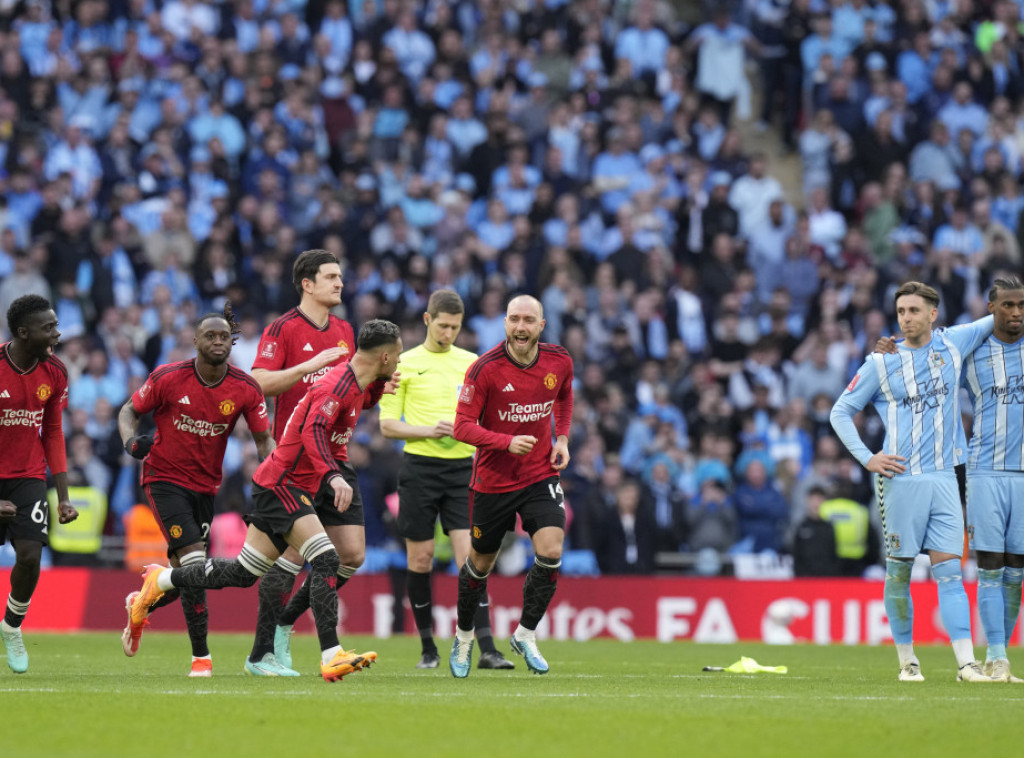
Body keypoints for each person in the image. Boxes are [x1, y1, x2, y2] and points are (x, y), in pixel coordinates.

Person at [128, 319, 402, 682]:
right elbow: (314, 429)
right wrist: (332, 475)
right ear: (384, 356)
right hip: (285, 484)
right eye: (397, 355)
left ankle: (162, 580)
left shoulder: (354, 382)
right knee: (326, 558)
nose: (399, 360)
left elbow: (359, 401)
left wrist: (382, 384)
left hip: (283, 482)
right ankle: (331, 653)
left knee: (244, 573)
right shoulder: (337, 383)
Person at [830, 281, 996, 683]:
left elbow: (1002, 315)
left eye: (914, 311)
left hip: (944, 478)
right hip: (899, 480)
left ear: (933, 314)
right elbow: (840, 411)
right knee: (899, 572)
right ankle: (908, 662)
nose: (906, 318)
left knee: (951, 572)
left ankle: (966, 665)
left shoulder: (954, 342)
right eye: (901, 311)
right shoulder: (881, 362)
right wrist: (868, 458)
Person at [878, 276, 1024, 682]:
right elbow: (918, 380)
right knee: (991, 566)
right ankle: (991, 660)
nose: (1015, 312)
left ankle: (997, 657)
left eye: (1022, 305)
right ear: (992, 309)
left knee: (1018, 571)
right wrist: (891, 355)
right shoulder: (970, 352)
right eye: (1007, 305)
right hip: (981, 469)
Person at [117, 303, 275, 676]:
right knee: (194, 563)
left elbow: (264, 442)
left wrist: (269, 490)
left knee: (184, 574)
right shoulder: (169, 377)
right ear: (195, 341)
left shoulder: (245, 388)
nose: (218, 341)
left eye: (224, 336)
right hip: (163, 479)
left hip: (206, 488)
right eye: (211, 336)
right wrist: (129, 443)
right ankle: (201, 659)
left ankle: (142, 604)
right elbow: (128, 411)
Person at [378, 289, 513, 670]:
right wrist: (428, 431)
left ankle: (485, 647)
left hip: (463, 471)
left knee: (470, 560)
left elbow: (490, 416)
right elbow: (387, 426)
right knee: (419, 559)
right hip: (419, 468)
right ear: (427, 320)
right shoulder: (403, 363)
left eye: (454, 326)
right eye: (442, 325)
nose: (448, 332)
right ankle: (427, 649)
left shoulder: (473, 364)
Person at [448, 295, 573, 677]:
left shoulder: (559, 361)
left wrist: (562, 438)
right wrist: (505, 441)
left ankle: (525, 633)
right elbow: (461, 427)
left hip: (539, 474)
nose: (521, 326)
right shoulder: (484, 369)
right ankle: (464, 636)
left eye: (528, 320)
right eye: (514, 319)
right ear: (505, 323)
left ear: (541, 325)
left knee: (551, 550)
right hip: (493, 480)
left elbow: (564, 395)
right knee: (480, 563)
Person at [248, 248, 357, 676]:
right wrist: (308, 366)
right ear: (307, 284)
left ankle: (283, 625)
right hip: (297, 461)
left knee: (352, 553)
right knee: (290, 557)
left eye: (340, 276)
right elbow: (257, 382)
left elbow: (350, 387)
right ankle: (268, 647)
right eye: (331, 277)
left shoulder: (346, 329)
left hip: (335, 456)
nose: (339, 283)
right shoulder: (283, 329)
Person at [0, 295, 77, 673]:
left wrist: (63, 497)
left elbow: (53, 432)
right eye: (49, 328)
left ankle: (11, 626)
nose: (57, 334)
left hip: (27, 476)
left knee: (30, 555)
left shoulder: (56, 373)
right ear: (22, 332)